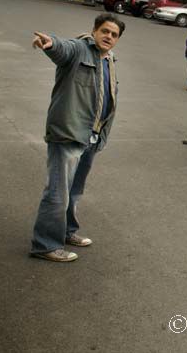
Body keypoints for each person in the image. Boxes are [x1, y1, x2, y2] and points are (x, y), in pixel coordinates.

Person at [29, 14, 125, 262]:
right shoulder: (79, 49)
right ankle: (45, 245)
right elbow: (62, 49)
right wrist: (50, 44)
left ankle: (67, 232)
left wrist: (101, 133)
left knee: (74, 190)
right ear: (94, 31)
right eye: (105, 31)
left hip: (91, 136)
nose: (108, 37)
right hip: (69, 132)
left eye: (114, 35)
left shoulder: (109, 60)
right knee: (57, 192)